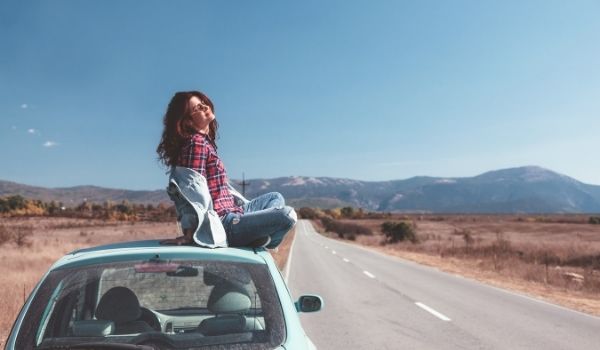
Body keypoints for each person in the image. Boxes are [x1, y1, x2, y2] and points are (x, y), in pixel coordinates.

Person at [156, 91, 296, 248]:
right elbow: (189, 192)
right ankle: (260, 240)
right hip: (225, 223)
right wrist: (190, 234)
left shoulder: (205, 143)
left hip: (235, 211)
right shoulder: (196, 143)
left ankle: (258, 237)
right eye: (197, 108)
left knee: (274, 197)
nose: (204, 107)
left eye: (203, 103)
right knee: (287, 215)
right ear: (188, 122)